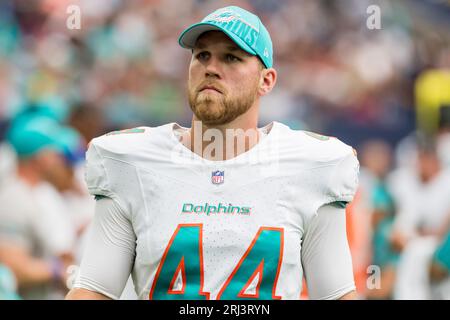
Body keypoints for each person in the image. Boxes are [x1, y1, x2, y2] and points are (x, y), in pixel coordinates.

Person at [67, 6, 359, 300]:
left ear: (266, 80)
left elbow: (335, 295)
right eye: (202, 55)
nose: (211, 67)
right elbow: (94, 290)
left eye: (231, 57)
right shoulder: (131, 162)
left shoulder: (311, 166)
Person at [0, 114, 77, 299]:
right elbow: (14, 268)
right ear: (40, 157)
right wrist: (60, 271)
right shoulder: (13, 199)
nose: (60, 158)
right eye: (55, 152)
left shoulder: (44, 192)